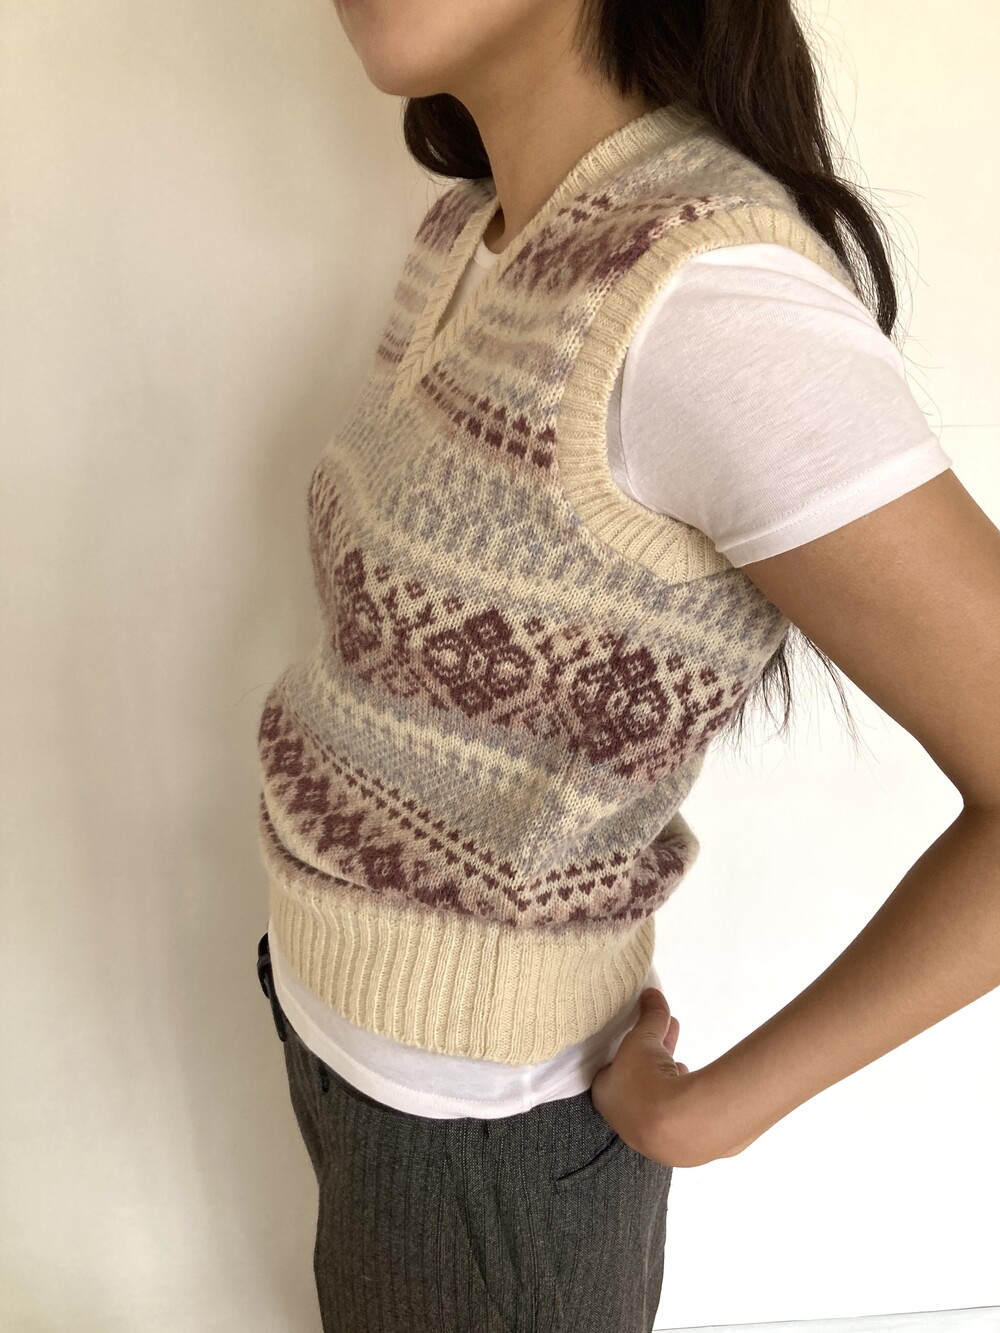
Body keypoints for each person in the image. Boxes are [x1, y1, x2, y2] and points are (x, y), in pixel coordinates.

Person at [254, 1, 1000, 1329]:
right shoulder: (468, 239)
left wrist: (716, 1113)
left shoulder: (705, 294)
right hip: (337, 1041)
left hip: (486, 1149)